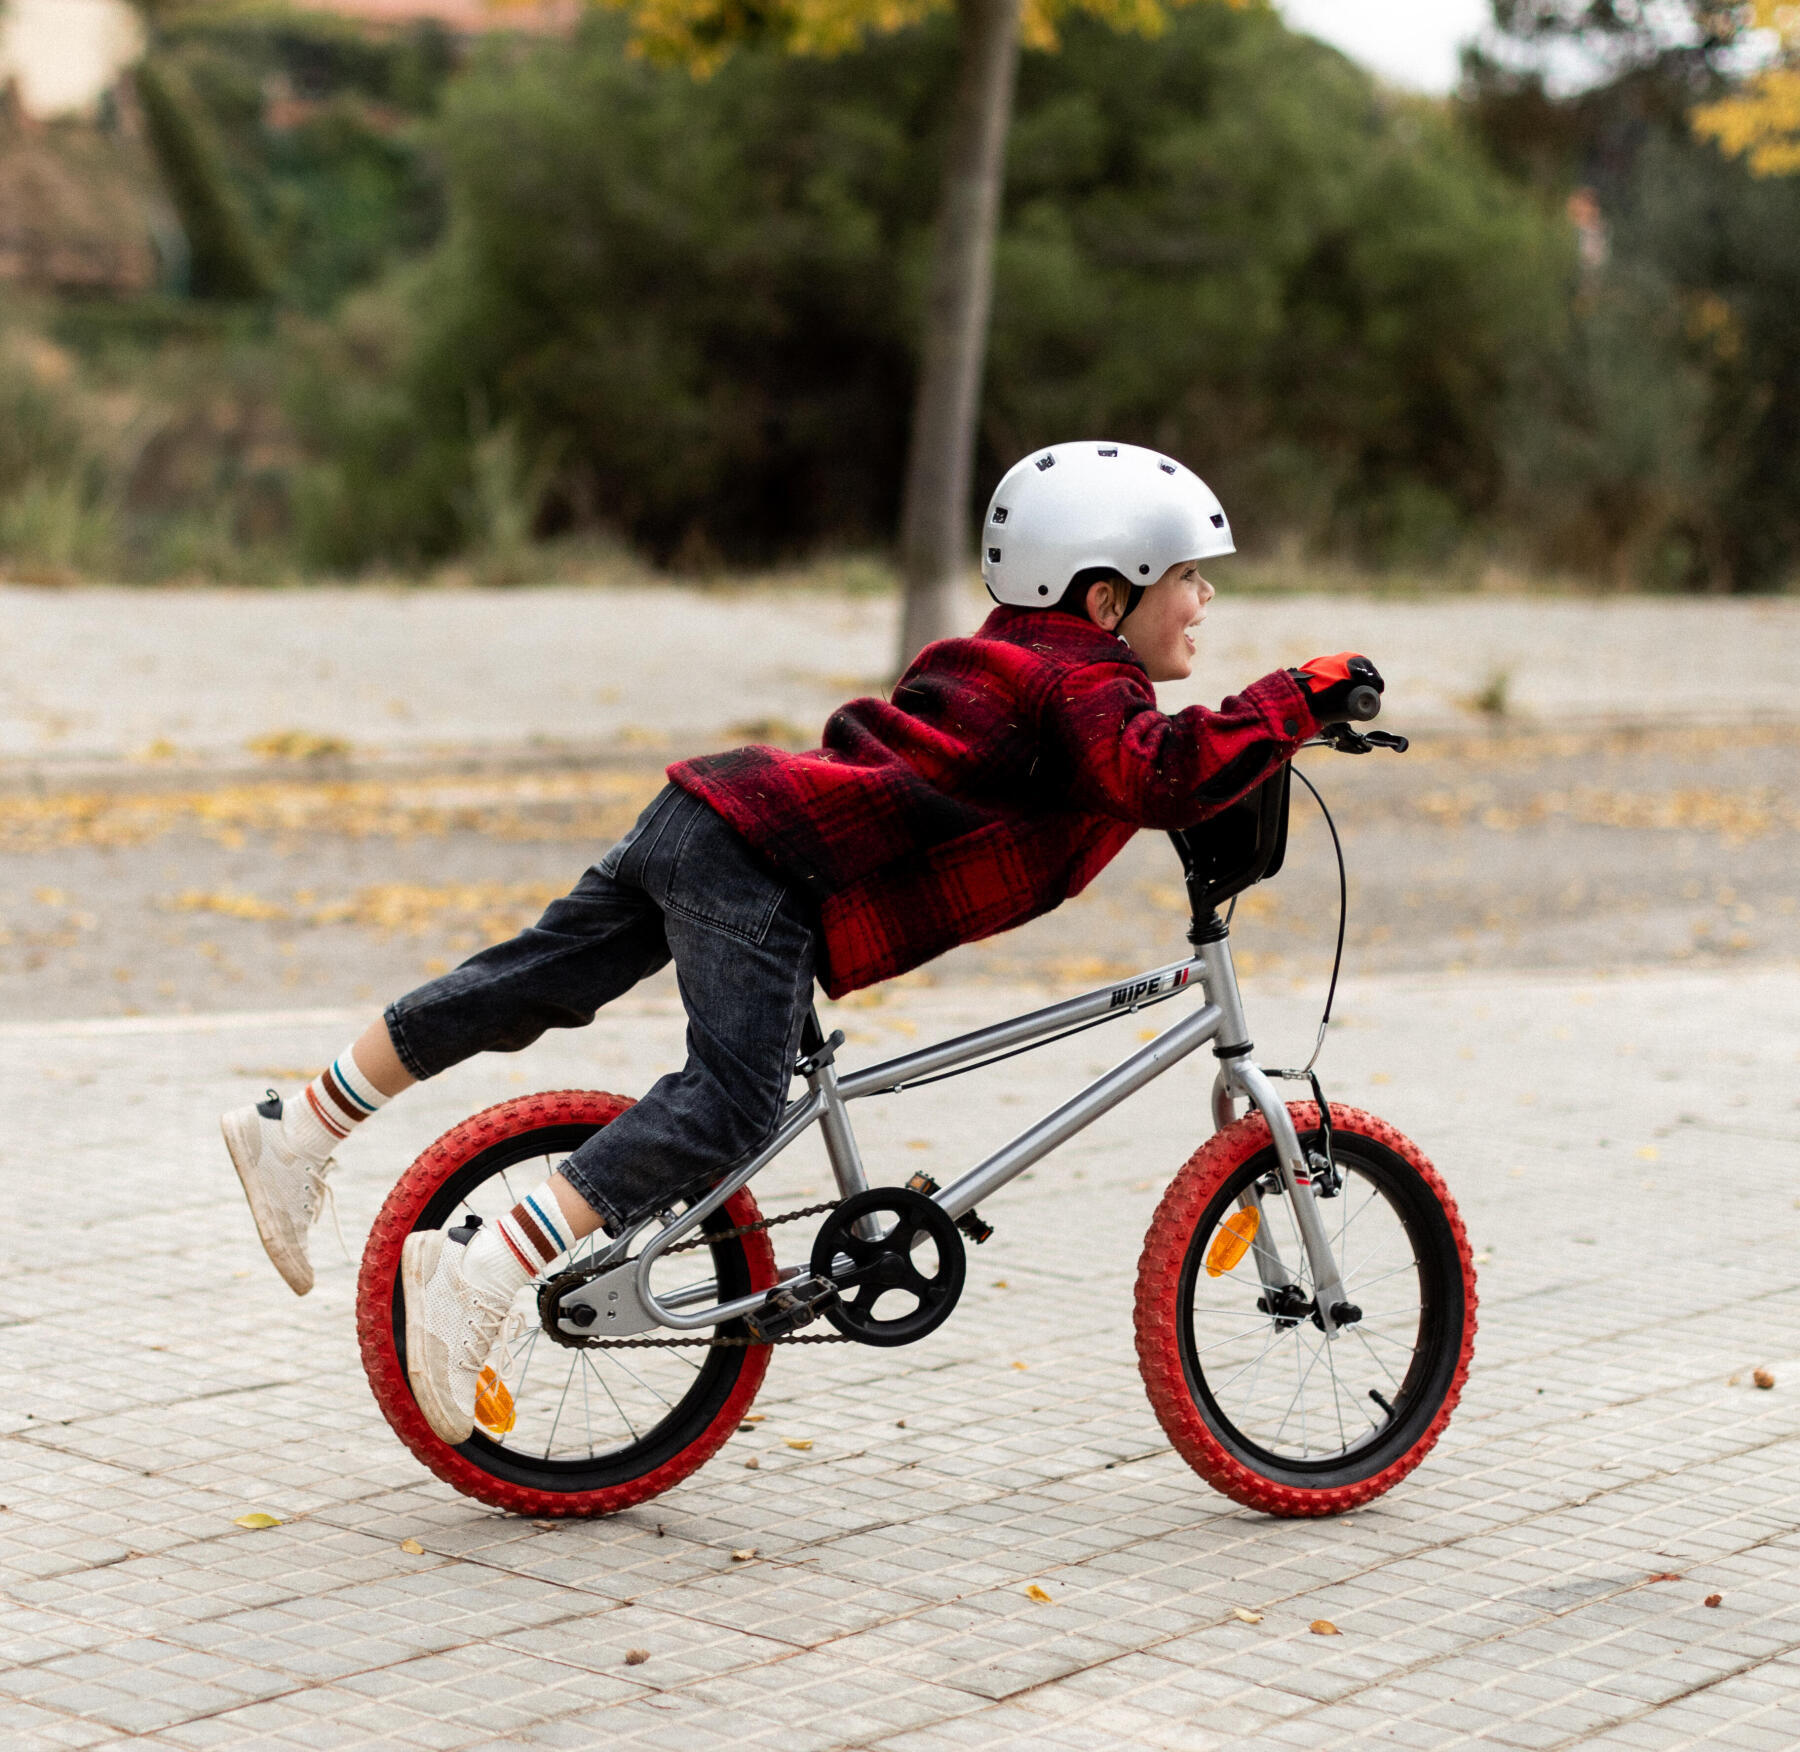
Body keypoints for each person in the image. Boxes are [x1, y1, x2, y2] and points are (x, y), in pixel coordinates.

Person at [220, 440, 1380, 1445]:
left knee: (531, 982)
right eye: (1187, 578)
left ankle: (301, 1126)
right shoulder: (1082, 688)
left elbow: (1125, 764)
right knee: (732, 1103)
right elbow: (1159, 771)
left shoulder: (1007, 658)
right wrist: (1297, 697)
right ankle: (491, 1264)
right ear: (1102, 599)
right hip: (766, 867)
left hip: (709, 813)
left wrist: (1260, 731)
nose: (1205, 603)